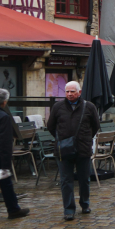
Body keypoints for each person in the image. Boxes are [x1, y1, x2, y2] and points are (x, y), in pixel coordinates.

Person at [46, 81, 100, 221]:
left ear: (79, 92)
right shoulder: (58, 107)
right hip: (63, 150)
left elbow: (95, 126)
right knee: (66, 180)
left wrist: (86, 139)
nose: (69, 94)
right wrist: (63, 140)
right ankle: (69, 209)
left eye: (72, 92)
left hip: (83, 149)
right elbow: (51, 126)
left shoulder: (89, 107)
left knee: (84, 179)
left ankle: (85, 204)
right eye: (67, 92)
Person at [0, 89, 29, 219]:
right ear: (5, 102)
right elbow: (5, 143)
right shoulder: (2, 117)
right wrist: (6, 165)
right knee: (6, 184)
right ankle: (13, 209)